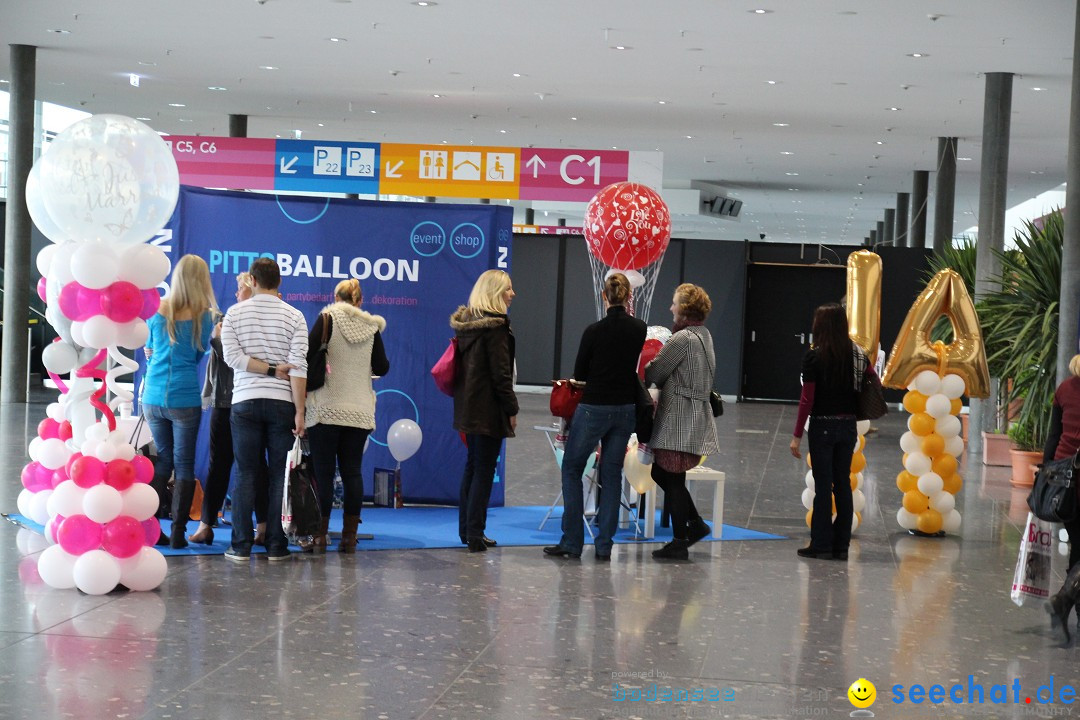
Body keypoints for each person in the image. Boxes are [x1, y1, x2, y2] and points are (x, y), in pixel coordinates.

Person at [544, 272, 645, 561]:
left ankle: (572, 542)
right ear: (628, 297)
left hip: (594, 408)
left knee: (573, 469)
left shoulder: (593, 331)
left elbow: (580, 374)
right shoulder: (639, 328)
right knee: (612, 473)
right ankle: (604, 546)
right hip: (624, 409)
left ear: (604, 296)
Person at [220, 258, 308, 562]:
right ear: (279, 282)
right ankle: (276, 546)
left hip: (244, 400)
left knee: (245, 473)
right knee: (277, 478)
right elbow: (298, 367)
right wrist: (300, 411)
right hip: (283, 404)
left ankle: (240, 546)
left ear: (252, 281)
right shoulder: (295, 316)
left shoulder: (234, 313)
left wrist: (266, 370)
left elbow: (233, 358)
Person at [305, 278, 389, 553]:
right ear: (360, 301)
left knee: (324, 473)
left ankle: (319, 535)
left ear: (335, 297)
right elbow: (382, 367)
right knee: (353, 472)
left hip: (327, 408)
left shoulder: (327, 319)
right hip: (359, 411)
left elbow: (307, 357)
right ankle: (350, 537)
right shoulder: (372, 327)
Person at [188, 272, 271, 546]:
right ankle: (206, 524)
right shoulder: (227, 320)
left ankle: (263, 527)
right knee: (219, 465)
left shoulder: (261, 323)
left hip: (250, 400)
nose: (235, 295)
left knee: (257, 465)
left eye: (240, 290)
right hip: (224, 402)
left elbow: (235, 357)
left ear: (252, 290)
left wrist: (220, 339)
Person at [142, 255, 217, 549]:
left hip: (153, 397)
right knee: (184, 465)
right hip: (184, 398)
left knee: (163, 461)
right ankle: (177, 533)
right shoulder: (206, 316)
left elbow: (149, 349)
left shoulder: (157, 310)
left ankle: (151, 528)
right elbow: (199, 356)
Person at [789, 302, 874, 561]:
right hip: (848, 425)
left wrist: (796, 436)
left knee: (823, 486)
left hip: (822, 426)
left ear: (820, 326)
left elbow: (807, 400)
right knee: (843, 485)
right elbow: (873, 381)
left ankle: (821, 544)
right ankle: (841, 546)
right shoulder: (857, 354)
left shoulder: (814, 356)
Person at [645, 283, 721, 560]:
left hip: (678, 417)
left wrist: (645, 362)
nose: (671, 308)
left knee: (672, 478)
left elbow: (656, 371)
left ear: (685, 309)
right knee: (663, 473)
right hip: (694, 415)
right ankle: (696, 524)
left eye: (674, 303)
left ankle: (680, 540)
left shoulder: (681, 339)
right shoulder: (704, 335)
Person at [450, 269, 518, 553]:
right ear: (495, 294)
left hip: (468, 407)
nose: (513, 294)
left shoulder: (468, 326)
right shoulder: (496, 328)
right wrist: (512, 408)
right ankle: (476, 533)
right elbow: (501, 375)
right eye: (508, 289)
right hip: (488, 410)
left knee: (473, 466)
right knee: (484, 470)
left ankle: (468, 530)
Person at [1042, 353, 1080, 642]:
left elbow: (1054, 437)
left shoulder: (1065, 388)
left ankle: (1068, 607)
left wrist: (1045, 476)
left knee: (1078, 546)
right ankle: (1064, 601)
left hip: (1065, 483)